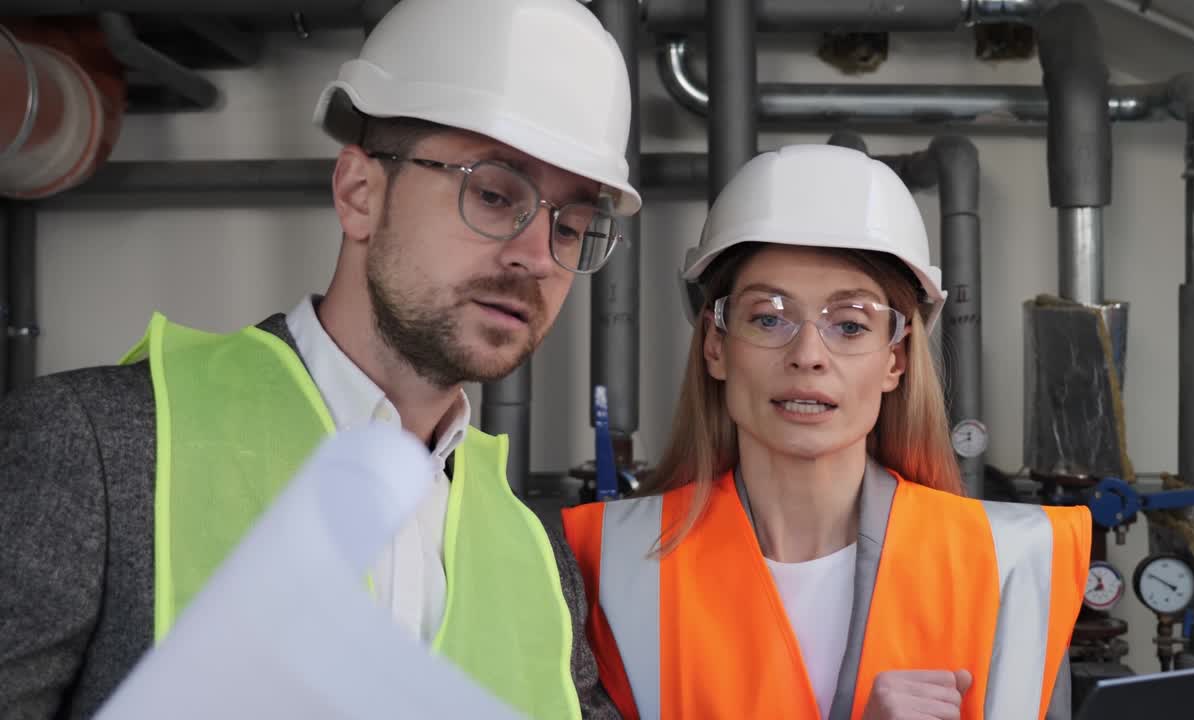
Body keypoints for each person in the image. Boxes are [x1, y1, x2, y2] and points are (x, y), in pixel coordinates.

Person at [0, 1, 637, 718]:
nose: (535, 255)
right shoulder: (95, 452)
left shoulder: (537, 556)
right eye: (493, 194)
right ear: (359, 193)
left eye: (573, 223)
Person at [562, 145, 1091, 720]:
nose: (808, 355)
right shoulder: (607, 563)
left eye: (849, 324)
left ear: (897, 359)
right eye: (769, 317)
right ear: (716, 345)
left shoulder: (1009, 563)